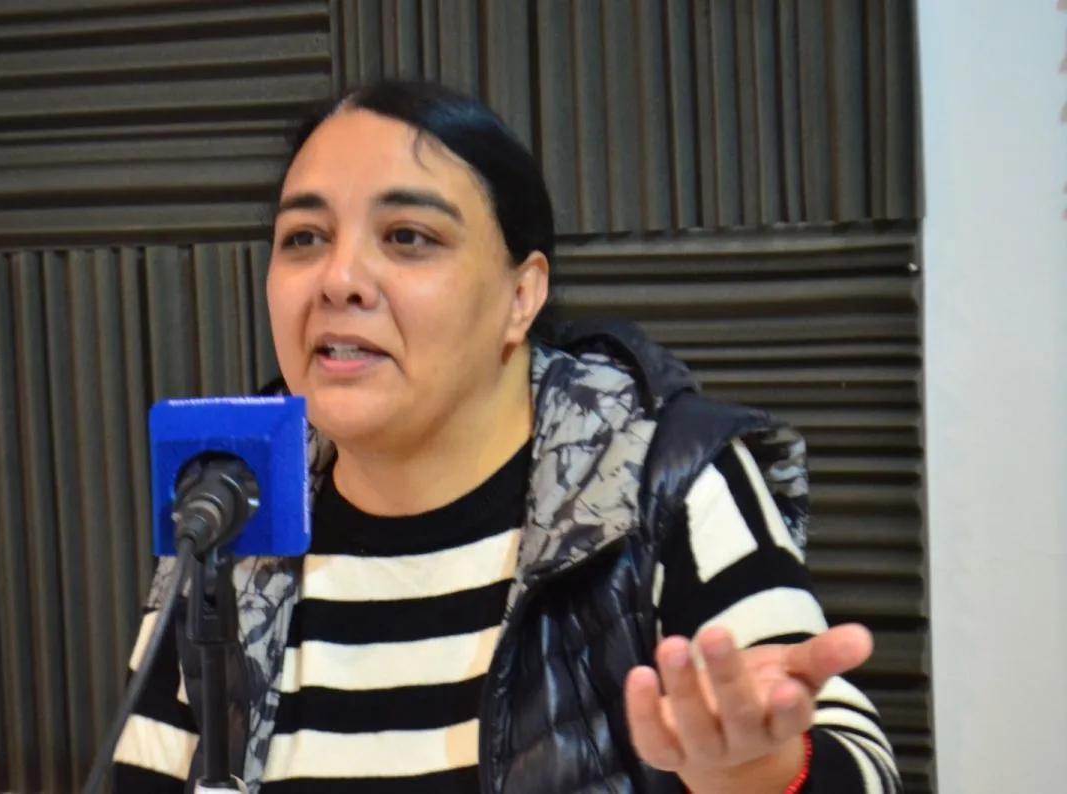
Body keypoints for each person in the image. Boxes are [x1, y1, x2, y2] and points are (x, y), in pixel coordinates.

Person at [111, 79, 901, 794]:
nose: (339, 279)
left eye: (407, 236)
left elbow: (856, 766)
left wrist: (755, 773)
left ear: (522, 295)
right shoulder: (230, 509)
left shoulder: (662, 481)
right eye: (304, 238)